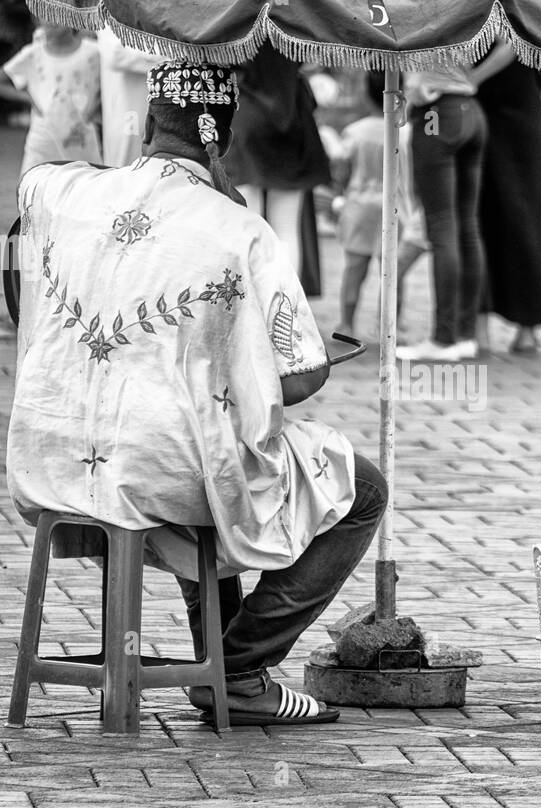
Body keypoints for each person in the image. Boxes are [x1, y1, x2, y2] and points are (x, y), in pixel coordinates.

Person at [7, 60, 387, 726]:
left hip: (49, 455)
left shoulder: (55, 191)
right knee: (354, 485)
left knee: (205, 437)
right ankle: (238, 669)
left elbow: (25, 231)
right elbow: (298, 379)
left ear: (149, 121)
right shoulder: (239, 230)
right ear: (226, 137)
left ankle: (222, 666)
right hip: (164, 470)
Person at [475, 43, 541, 353]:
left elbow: (514, 40)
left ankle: (517, 326)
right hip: (498, 107)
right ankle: (490, 326)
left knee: (522, 217)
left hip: (512, 108)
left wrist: (473, 78)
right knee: (484, 215)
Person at [396, 59, 489, 362]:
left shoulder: (418, 8)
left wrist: (416, 86)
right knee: (466, 227)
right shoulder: (468, 7)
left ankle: (444, 338)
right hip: (469, 109)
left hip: (437, 112)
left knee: (442, 226)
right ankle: (465, 335)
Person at [224, 42, 331, 296]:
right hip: (292, 115)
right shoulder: (295, 13)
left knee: (248, 226)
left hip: (245, 117)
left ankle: (250, 311)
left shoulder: (236, 12)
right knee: (286, 231)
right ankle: (285, 312)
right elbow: (312, 61)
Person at [0, 24, 101, 174]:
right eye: (44, 14)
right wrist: (29, 99)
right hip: (43, 139)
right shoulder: (33, 54)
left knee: (86, 185)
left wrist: (93, 108)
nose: (49, 21)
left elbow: (108, 87)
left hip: (81, 138)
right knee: (34, 187)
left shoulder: (94, 52)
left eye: (55, 14)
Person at [334, 72, 390, 336]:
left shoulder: (355, 131)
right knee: (391, 274)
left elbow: (342, 170)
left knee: (354, 269)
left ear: (367, 95)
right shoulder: (404, 131)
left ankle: (346, 323)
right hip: (393, 206)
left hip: (359, 203)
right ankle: (389, 326)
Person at [96, 29, 160, 166]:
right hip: (126, 117)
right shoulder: (110, 12)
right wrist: (166, 56)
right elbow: (116, 55)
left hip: (163, 116)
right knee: (124, 174)